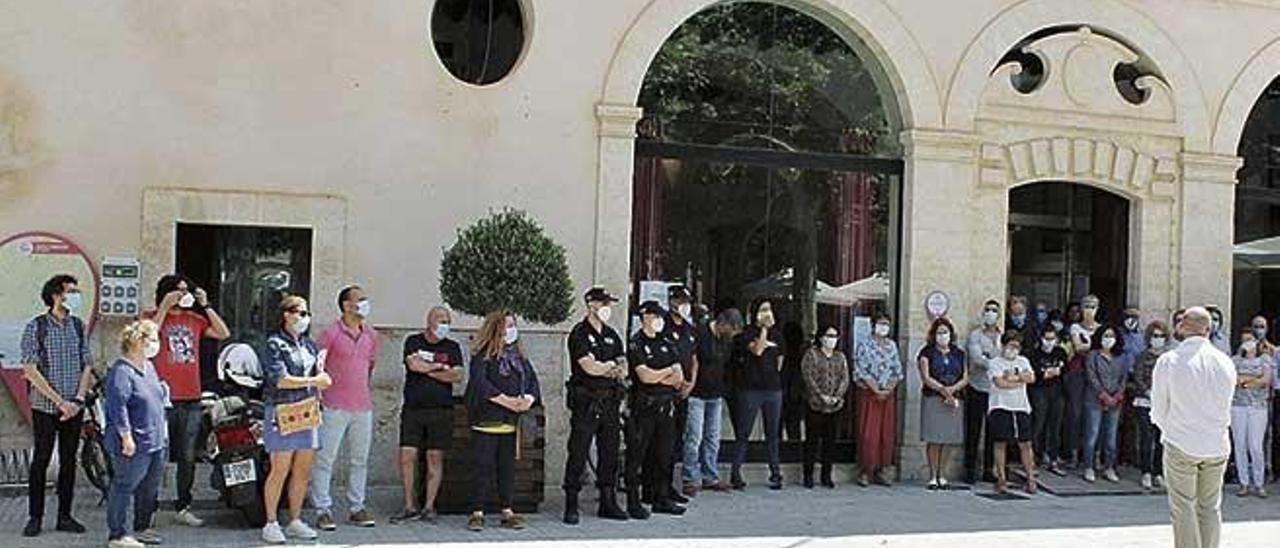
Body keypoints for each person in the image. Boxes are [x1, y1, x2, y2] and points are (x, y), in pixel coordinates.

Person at [146, 274, 231, 528]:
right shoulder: (149, 317)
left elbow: (222, 332)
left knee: (188, 456)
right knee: (155, 456)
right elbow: (148, 339)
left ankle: (183, 505)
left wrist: (205, 304)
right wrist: (163, 308)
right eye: (178, 290)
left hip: (191, 397)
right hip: (161, 399)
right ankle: (147, 509)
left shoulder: (194, 320)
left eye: (186, 290)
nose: (183, 294)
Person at [1152, 307, 1236, 548]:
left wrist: (1169, 430)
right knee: (1210, 507)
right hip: (1216, 443)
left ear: (1181, 326)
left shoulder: (1169, 361)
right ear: (1208, 330)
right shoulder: (1225, 362)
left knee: (1183, 507)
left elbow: (1158, 407)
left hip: (1181, 442)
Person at [20, 274, 94, 537]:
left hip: (74, 406)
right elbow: (30, 369)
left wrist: (78, 400)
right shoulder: (36, 327)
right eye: (70, 291)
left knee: (69, 461)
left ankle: (65, 515)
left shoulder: (77, 326)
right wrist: (59, 401)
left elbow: (87, 364)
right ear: (55, 295)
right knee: (40, 459)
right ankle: (35, 516)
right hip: (46, 407)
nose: (75, 296)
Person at [260, 295, 331, 544]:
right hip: (282, 409)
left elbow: (316, 372)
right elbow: (280, 379)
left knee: (303, 469)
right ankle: (270, 522)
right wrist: (315, 381)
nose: (304, 318)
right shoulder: (273, 344)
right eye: (300, 313)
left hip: (308, 409)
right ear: (286, 314)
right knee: (280, 468)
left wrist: (321, 378)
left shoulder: (309, 345)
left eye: (306, 313)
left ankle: (295, 520)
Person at [310, 286, 379, 530]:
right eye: (360, 299)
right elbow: (317, 368)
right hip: (333, 406)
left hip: (362, 406)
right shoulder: (330, 334)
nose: (365, 303)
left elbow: (369, 367)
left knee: (360, 459)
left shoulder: (371, 335)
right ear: (347, 305)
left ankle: (356, 507)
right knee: (325, 459)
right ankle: (322, 509)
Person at [464, 311, 541, 532]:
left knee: (506, 467)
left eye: (513, 325)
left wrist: (527, 399)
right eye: (507, 325)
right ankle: (477, 511)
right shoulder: (482, 354)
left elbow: (532, 381)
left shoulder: (519, 356)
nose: (511, 330)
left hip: (509, 423)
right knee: (483, 466)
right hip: (486, 420)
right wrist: (506, 401)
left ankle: (507, 510)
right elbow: (481, 383)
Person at [561, 288, 629, 525]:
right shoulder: (579, 334)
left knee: (609, 452)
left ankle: (608, 501)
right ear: (590, 304)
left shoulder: (612, 334)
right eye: (603, 303)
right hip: (587, 402)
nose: (607, 307)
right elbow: (588, 367)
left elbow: (623, 366)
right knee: (578, 452)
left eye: (609, 303)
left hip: (610, 400)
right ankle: (571, 503)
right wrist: (608, 366)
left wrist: (608, 366)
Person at [391, 306, 464, 524]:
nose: (445, 324)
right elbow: (413, 365)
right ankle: (409, 505)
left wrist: (429, 368)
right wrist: (441, 368)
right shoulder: (413, 341)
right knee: (407, 456)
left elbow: (457, 375)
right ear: (429, 320)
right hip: (413, 409)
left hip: (441, 410)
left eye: (447, 320)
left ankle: (429, 506)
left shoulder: (453, 347)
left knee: (434, 457)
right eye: (441, 319)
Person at [103, 320, 168, 548]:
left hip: (155, 439)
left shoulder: (148, 367)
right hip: (134, 441)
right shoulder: (121, 371)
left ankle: (142, 528)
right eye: (152, 339)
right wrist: (126, 437)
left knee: (149, 487)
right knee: (124, 485)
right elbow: (117, 406)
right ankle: (118, 534)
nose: (156, 344)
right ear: (138, 341)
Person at [625, 301, 688, 518]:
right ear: (645, 318)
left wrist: (660, 374)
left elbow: (679, 377)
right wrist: (666, 373)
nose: (660, 320)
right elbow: (644, 376)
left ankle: (661, 498)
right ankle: (633, 500)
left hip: (666, 406)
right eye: (656, 316)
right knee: (637, 455)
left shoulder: (667, 342)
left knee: (663, 455)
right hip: (644, 407)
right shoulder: (636, 343)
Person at [683, 308, 741, 494]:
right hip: (698, 393)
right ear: (723, 324)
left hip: (716, 393)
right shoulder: (700, 333)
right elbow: (693, 360)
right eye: (731, 330)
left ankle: (710, 475)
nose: (732, 335)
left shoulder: (726, 341)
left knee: (712, 438)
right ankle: (690, 478)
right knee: (694, 437)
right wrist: (690, 384)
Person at [730, 298, 786, 491]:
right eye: (763, 310)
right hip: (750, 389)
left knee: (772, 434)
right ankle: (736, 472)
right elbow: (758, 350)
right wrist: (763, 329)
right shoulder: (747, 333)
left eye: (769, 309)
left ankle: (776, 473)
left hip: (773, 390)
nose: (767, 313)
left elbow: (780, 362)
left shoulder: (778, 335)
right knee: (744, 432)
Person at [653, 285, 697, 506]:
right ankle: (656, 488)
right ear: (671, 301)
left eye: (686, 301)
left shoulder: (689, 328)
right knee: (661, 444)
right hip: (665, 393)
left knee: (676, 443)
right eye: (680, 300)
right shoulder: (663, 326)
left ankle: (669, 486)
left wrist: (690, 384)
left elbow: (694, 358)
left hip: (683, 393)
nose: (683, 305)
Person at [853, 314, 903, 487]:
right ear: (873, 325)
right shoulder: (864, 345)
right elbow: (861, 370)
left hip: (887, 396)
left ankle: (882, 469)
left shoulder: (892, 346)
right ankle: (865, 470)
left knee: (885, 434)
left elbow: (897, 371)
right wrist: (876, 389)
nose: (883, 327)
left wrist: (888, 389)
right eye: (880, 323)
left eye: (886, 324)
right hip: (870, 394)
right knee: (869, 433)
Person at [918, 317, 967, 490]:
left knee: (948, 438)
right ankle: (932, 476)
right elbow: (926, 376)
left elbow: (966, 376)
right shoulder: (926, 352)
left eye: (945, 332)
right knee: (934, 438)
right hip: (934, 398)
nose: (942, 336)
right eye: (939, 332)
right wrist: (942, 389)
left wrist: (952, 389)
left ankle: (942, 474)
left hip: (954, 398)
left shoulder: (959, 354)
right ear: (933, 334)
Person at [986, 332, 1037, 494]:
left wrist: (1013, 378)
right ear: (1003, 345)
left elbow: (1031, 378)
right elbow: (1000, 383)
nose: (1013, 350)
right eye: (1010, 346)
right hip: (1000, 406)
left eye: (1016, 347)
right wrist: (1019, 380)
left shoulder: (1023, 361)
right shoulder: (995, 363)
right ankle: (1001, 478)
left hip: (1021, 406)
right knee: (1001, 443)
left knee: (1025, 443)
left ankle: (1030, 478)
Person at [801, 325, 850, 489]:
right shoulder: (812, 354)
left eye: (835, 336)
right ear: (821, 337)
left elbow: (844, 378)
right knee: (812, 441)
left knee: (830, 443)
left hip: (835, 406)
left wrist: (836, 396)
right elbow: (808, 376)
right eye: (829, 335)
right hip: (815, 404)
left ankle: (826, 475)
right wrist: (820, 395)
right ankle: (808, 475)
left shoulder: (840, 357)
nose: (832, 339)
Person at [1082, 325, 1128, 483]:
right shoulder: (1093, 355)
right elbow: (1091, 376)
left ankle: (1109, 467)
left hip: (1116, 401)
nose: (1109, 339)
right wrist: (1103, 394)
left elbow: (1124, 378)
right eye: (1105, 335)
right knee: (1092, 435)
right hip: (1094, 400)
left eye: (1112, 335)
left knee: (1110, 437)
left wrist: (1117, 396)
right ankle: (1089, 466)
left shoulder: (1121, 356)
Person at [1230, 331, 1273, 498]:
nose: (1247, 343)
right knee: (1239, 444)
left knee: (1255, 446)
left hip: (1258, 407)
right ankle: (1244, 483)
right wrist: (1253, 379)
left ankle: (1259, 483)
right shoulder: (1235, 360)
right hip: (1238, 406)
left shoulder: (1265, 360)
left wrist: (1245, 382)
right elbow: (1234, 379)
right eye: (1244, 340)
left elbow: (1265, 380)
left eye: (1250, 340)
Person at [965, 299, 1002, 484]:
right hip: (977, 387)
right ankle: (969, 470)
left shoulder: (1003, 337)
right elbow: (977, 358)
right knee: (973, 430)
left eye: (994, 310)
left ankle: (989, 469)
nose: (991, 313)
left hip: (997, 390)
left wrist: (990, 359)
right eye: (988, 310)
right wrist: (997, 362)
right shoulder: (975, 335)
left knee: (993, 432)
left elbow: (1011, 358)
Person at [1064, 295, 1103, 468]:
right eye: (1086, 305)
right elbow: (1078, 348)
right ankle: (1072, 454)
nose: (1089, 309)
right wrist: (1094, 346)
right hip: (1078, 373)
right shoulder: (1075, 327)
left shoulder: (1102, 328)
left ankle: (1095, 455)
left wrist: (1089, 346)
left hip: (1098, 373)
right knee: (1075, 413)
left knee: (1095, 415)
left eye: (1093, 306)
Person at [1132, 320, 1171, 492]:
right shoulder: (1142, 356)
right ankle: (1145, 472)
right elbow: (1138, 378)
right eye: (1155, 336)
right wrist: (1148, 392)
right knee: (1146, 438)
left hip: (1165, 403)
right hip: (1145, 401)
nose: (1158, 339)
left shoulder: (1170, 357)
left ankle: (1158, 473)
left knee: (1161, 440)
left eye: (1161, 336)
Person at [1027, 324, 1067, 476]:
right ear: (1041, 339)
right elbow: (1036, 375)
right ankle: (1033, 459)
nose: (1049, 342)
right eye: (1046, 338)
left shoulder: (1060, 352)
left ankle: (1053, 458)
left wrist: (1049, 373)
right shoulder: (1034, 354)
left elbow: (1064, 371)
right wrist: (1047, 373)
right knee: (1038, 424)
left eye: (1052, 338)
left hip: (1057, 391)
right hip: (1039, 391)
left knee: (1055, 426)